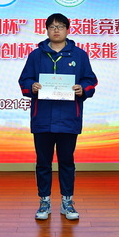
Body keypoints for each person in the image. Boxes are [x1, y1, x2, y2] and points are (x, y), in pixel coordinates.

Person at [18, 13, 98, 221]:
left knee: (67, 162)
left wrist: (82, 88)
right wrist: (31, 86)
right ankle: (44, 201)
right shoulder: (36, 55)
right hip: (42, 118)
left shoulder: (79, 55)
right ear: (46, 30)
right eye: (52, 26)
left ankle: (67, 201)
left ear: (67, 30)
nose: (56, 30)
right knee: (43, 162)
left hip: (69, 118)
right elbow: (24, 80)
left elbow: (91, 80)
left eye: (60, 26)